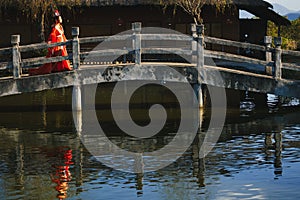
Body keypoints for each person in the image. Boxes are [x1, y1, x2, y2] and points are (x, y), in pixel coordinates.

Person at [29, 10, 72, 75]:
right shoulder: (55, 27)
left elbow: (62, 35)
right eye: (59, 17)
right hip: (58, 44)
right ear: (57, 19)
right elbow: (52, 36)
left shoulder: (60, 26)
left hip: (61, 43)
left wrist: (65, 41)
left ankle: (61, 69)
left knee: (62, 57)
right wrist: (51, 44)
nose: (61, 19)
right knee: (57, 58)